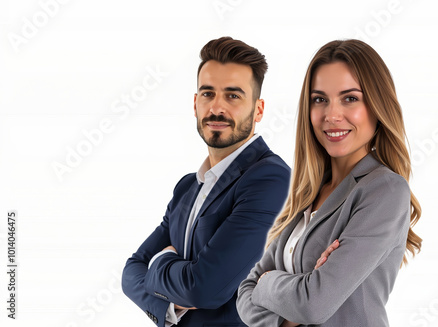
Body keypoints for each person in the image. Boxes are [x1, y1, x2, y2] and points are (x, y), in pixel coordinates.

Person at [237, 39, 422, 327]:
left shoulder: (384, 189)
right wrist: (291, 308)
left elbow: (313, 305)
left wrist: (268, 282)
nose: (332, 116)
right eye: (320, 99)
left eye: (350, 98)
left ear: (377, 106)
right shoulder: (308, 194)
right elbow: (243, 296)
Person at [122, 36, 290, 327]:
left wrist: (160, 264)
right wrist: (171, 305)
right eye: (208, 94)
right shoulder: (187, 186)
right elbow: (131, 271)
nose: (217, 108)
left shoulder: (270, 178)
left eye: (233, 96)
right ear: (195, 103)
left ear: (259, 110)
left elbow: (204, 289)